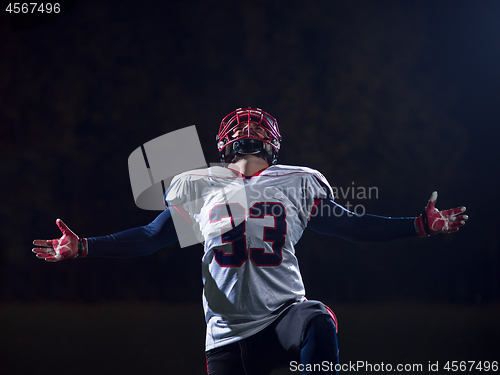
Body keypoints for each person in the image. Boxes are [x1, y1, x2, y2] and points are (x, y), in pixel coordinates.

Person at [32, 107, 468, 375]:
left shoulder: (297, 181)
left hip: (283, 317)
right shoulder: (198, 184)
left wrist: (418, 224)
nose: (249, 132)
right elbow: (149, 238)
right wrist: (85, 246)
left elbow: (352, 225)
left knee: (317, 319)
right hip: (226, 335)